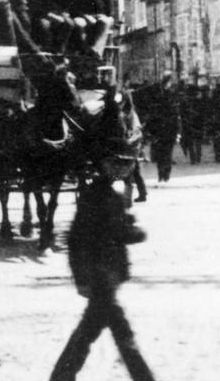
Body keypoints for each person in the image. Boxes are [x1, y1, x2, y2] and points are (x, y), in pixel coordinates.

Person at [49, 154, 155, 381]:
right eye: (122, 163)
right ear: (107, 165)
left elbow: (80, 237)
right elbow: (103, 234)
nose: (127, 168)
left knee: (92, 333)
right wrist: (136, 232)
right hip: (103, 277)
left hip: (102, 276)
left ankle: (61, 377)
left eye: (128, 164)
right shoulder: (103, 196)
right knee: (120, 336)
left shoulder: (100, 194)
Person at [140, 73, 179, 183]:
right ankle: (164, 174)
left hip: (161, 131)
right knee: (165, 154)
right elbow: (175, 116)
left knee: (162, 154)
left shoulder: (161, 96)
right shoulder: (168, 96)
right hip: (165, 130)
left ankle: (163, 174)